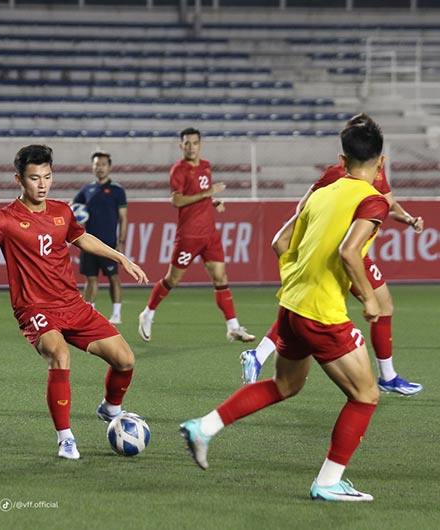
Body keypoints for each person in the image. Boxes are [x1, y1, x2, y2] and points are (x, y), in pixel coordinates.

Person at [180, 114, 390, 501]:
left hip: (291, 307)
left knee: (285, 385)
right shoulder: (373, 201)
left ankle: (204, 427)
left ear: (342, 161)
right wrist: (370, 298)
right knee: (366, 395)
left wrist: (304, 281)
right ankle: (328, 481)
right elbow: (348, 252)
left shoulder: (323, 193)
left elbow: (280, 242)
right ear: (381, 162)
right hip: (322, 314)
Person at [0, 144, 148, 460]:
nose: (42, 184)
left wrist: (120, 257)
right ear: (19, 179)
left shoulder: (61, 211)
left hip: (73, 304)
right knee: (60, 354)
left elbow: (81, 238)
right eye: (34, 178)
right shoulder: (5, 219)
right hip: (35, 308)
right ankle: (65, 438)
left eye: (47, 177)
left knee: (125, 361)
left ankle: (111, 408)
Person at [240, 140, 424, 395]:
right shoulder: (337, 174)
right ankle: (386, 377)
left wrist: (409, 219)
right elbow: (303, 206)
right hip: (338, 253)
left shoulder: (375, 173)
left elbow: (390, 204)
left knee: (307, 305)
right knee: (335, 307)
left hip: (353, 252)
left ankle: (257, 355)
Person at [138, 127, 254, 343]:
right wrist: (208, 194)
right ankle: (148, 313)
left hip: (210, 234)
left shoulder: (206, 166)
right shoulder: (178, 170)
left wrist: (212, 201)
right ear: (181, 146)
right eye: (187, 143)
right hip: (189, 236)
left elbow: (199, 196)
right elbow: (177, 201)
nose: (191, 147)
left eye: (194, 142)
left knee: (221, 278)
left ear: (200, 144)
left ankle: (233, 327)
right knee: (173, 279)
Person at [72, 150, 128, 324]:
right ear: (92, 167)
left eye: (103, 164)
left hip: (109, 243)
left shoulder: (117, 190)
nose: (100, 168)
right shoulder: (87, 190)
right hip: (88, 242)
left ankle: (116, 314)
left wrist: (121, 242)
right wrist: (75, 210)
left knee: (113, 277)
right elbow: (72, 207)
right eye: (96, 164)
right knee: (91, 278)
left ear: (109, 167)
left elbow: (123, 218)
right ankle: (90, 312)